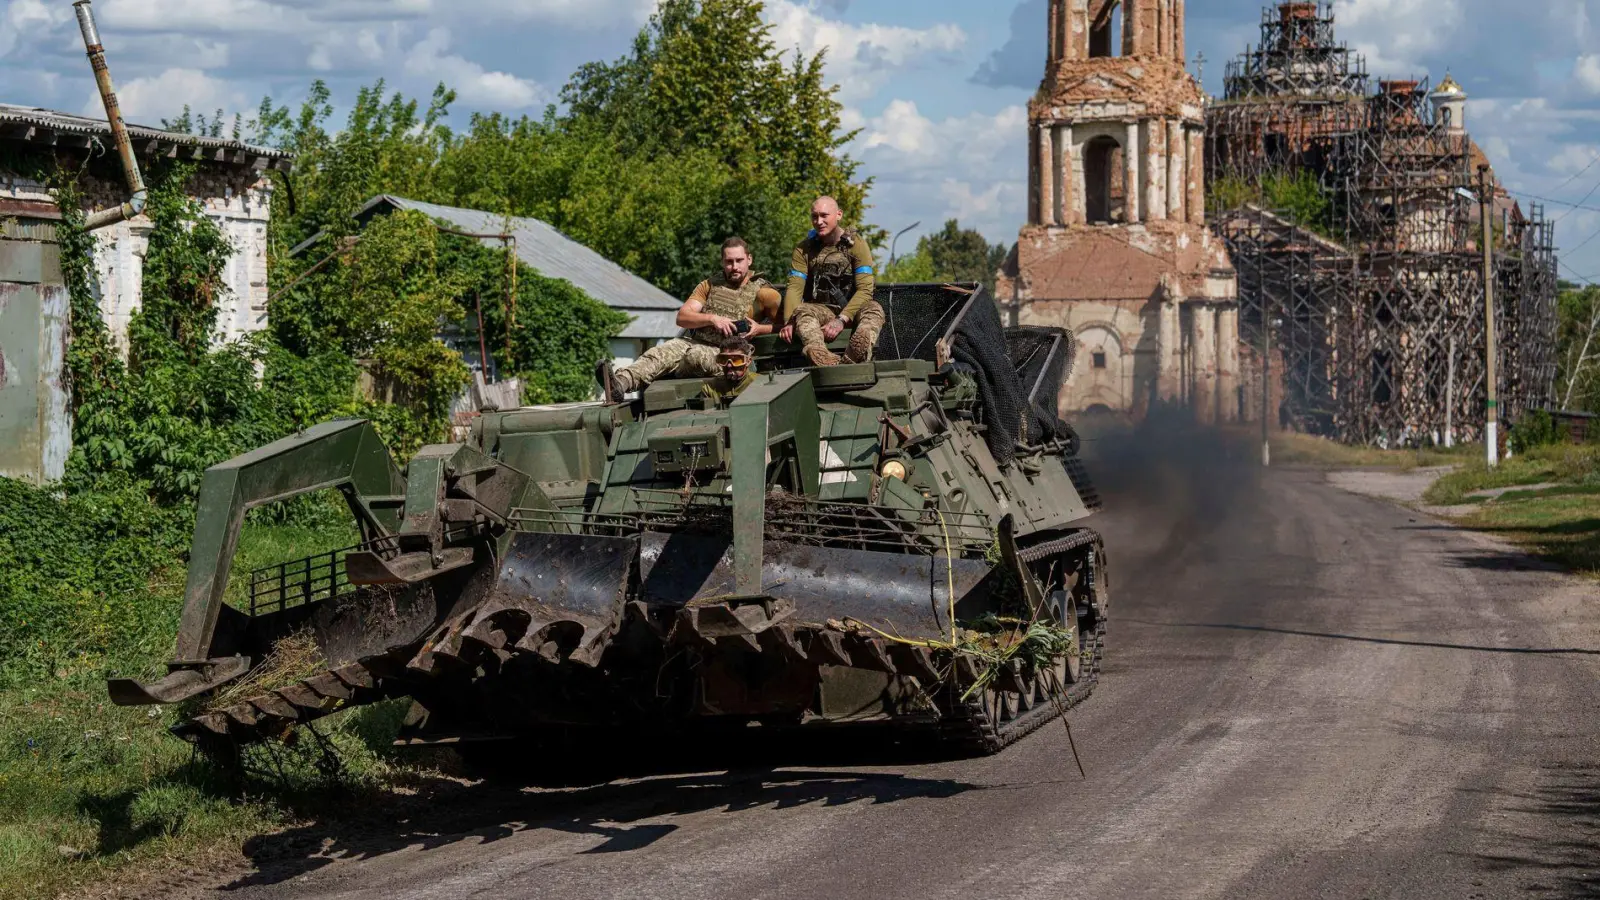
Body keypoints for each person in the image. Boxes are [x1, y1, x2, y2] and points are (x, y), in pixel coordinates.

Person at [597, 237, 780, 402]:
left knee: (694, 355)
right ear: (722, 262)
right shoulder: (709, 285)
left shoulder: (764, 293)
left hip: (730, 357)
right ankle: (620, 384)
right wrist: (712, 318)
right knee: (661, 352)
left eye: (739, 260)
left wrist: (759, 328)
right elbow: (683, 317)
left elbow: (787, 327)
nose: (734, 267)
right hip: (696, 342)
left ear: (749, 259)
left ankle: (663, 372)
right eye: (729, 262)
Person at [779, 196, 885, 367]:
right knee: (802, 311)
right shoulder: (803, 249)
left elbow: (865, 290)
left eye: (824, 215)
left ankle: (856, 354)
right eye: (814, 216)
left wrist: (842, 320)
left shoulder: (856, 245)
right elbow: (795, 287)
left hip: (852, 309)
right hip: (822, 310)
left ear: (839, 215)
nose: (819, 221)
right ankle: (820, 355)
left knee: (874, 309)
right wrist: (789, 322)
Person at [701, 339, 759, 407]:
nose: (729, 365)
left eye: (736, 360)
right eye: (724, 360)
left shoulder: (760, 384)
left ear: (748, 361)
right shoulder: (710, 388)